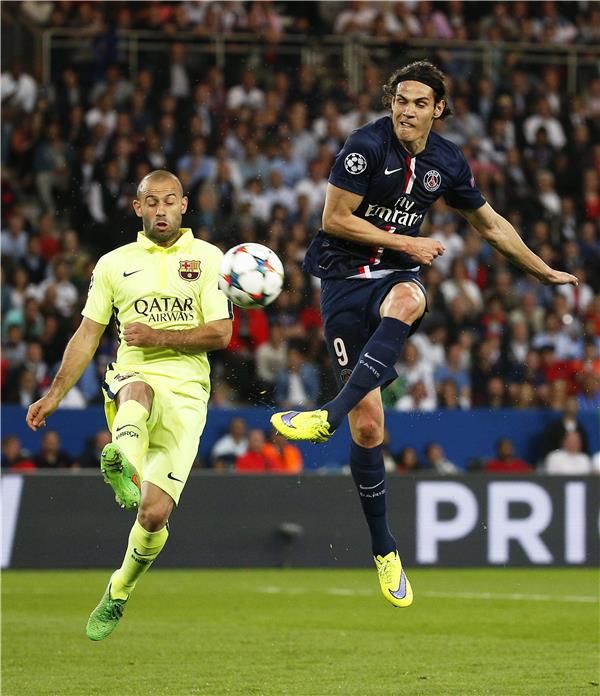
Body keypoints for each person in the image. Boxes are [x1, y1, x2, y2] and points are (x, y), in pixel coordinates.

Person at [271, 60, 578, 609]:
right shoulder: (365, 146)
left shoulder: (447, 160)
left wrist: (541, 270)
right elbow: (334, 219)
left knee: (412, 298)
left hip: (395, 275)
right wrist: (407, 242)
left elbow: (490, 224)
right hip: (344, 280)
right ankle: (384, 547)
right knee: (370, 427)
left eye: (418, 103)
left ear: (438, 109)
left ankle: (327, 416)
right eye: (400, 100)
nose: (406, 111)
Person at [26, 170, 233, 640]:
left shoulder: (209, 259)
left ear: (184, 205)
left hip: (189, 392)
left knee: (153, 514)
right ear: (137, 208)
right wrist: (54, 394)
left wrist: (157, 335)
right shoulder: (113, 264)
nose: (161, 210)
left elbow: (221, 333)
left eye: (169, 201)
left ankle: (118, 590)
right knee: (136, 390)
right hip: (134, 374)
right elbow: (87, 334)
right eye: (151, 202)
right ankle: (125, 466)